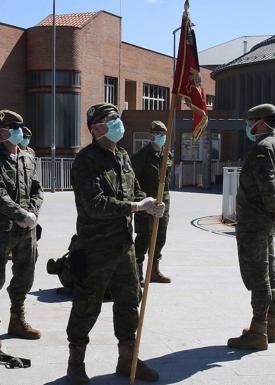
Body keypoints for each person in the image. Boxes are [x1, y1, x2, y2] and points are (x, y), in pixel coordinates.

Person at [66, 103, 164, 384]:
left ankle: (127, 358)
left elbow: (134, 190)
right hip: (96, 247)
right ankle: (76, 364)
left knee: (129, 300)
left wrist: (149, 203)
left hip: (124, 245)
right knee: (87, 305)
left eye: (118, 118)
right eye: (111, 120)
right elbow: (95, 204)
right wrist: (136, 206)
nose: (118, 123)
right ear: (96, 128)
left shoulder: (121, 155)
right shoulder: (86, 160)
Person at [228, 103, 275, 351]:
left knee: (258, 275)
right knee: (270, 272)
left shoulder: (262, 148)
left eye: (251, 121)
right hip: (264, 221)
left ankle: (257, 330)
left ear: (262, 122)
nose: (248, 125)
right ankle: (270, 326)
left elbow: (268, 187)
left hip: (254, 223)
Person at [0, 109, 43, 340]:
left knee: (25, 273)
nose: (17, 132)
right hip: (3, 227)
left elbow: (37, 188)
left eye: (19, 128)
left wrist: (32, 213)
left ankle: (17, 319)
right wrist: (20, 214)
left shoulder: (28, 156)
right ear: (1, 132)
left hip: (27, 228)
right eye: (12, 129)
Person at [131, 121, 172, 284]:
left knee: (160, 238)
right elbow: (133, 180)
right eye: (158, 134)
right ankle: (138, 273)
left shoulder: (167, 154)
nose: (161, 138)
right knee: (143, 238)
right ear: (151, 135)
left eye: (163, 135)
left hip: (163, 203)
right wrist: (140, 202)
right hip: (146, 203)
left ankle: (154, 271)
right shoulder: (141, 156)